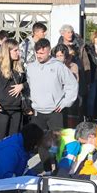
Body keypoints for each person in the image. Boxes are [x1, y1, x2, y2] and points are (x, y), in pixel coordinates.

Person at [26, 38, 78, 173]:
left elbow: (72, 85)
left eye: (42, 53)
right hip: (38, 111)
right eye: (37, 53)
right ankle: (47, 169)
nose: (39, 56)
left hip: (55, 110)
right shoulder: (31, 67)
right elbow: (28, 86)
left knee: (56, 142)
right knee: (40, 142)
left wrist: (66, 102)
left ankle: (58, 166)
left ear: (49, 51)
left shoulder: (58, 67)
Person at [0, 38, 27, 142]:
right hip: (2, 109)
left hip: (17, 109)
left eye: (18, 50)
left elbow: (28, 82)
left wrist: (22, 85)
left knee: (14, 141)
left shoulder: (19, 66)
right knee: (0, 141)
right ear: (7, 51)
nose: (18, 53)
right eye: (15, 50)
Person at [52, 44, 79, 127]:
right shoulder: (51, 67)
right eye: (57, 56)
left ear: (65, 57)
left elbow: (75, 84)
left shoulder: (72, 67)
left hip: (66, 101)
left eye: (61, 55)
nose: (59, 58)